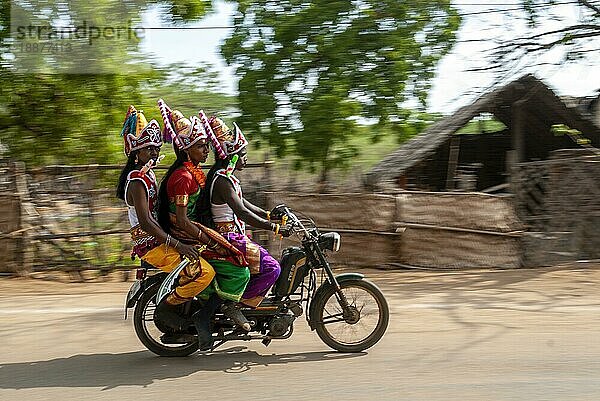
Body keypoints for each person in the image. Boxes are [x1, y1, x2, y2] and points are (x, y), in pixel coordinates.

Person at [116, 105, 215, 346]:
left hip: (159, 239)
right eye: (148, 149)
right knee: (205, 272)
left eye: (156, 148)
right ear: (135, 153)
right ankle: (168, 310)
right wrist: (179, 245)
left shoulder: (146, 176)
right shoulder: (137, 181)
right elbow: (147, 223)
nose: (153, 153)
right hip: (152, 245)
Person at [157, 100, 252, 341]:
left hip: (192, 229)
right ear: (187, 149)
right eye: (201, 146)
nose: (207, 150)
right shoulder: (183, 178)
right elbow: (181, 219)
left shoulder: (193, 173)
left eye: (207, 145)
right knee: (238, 267)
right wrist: (207, 240)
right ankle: (203, 312)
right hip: (186, 233)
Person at [199, 111, 282, 308]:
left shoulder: (226, 178)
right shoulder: (222, 181)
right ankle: (236, 304)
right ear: (232, 157)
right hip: (228, 237)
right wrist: (273, 228)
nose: (245, 158)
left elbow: (244, 204)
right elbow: (242, 213)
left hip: (235, 235)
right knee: (272, 268)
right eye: (242, 154)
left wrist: (270, 215)